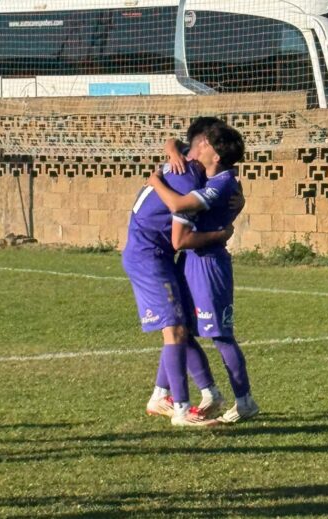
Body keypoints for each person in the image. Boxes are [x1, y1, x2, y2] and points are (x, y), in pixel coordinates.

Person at [123, 118, 233, 427]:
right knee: (174, 331)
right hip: (148, 257)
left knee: (180, 326)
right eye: (217, 149)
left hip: (155, 255)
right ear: (204, 146)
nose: (221, 159)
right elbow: (179, 235)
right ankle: (181, 410)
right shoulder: (187, 179)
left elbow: (173, 142)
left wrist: (170, 150)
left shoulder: (183, 160)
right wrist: (221, 234)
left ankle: (188, 394)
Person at [148, 122, 259, 424]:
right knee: (178, 328)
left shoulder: (221, 184)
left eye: (205, 144)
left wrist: (155, 181)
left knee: (220, 334)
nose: (199, 146)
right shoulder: (212, 175)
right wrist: (172, 151)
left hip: (209, 265)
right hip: (190, 261)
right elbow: (174, 143)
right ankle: (165, 393)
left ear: (216, 156)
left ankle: (245, 401)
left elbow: (178, 204)